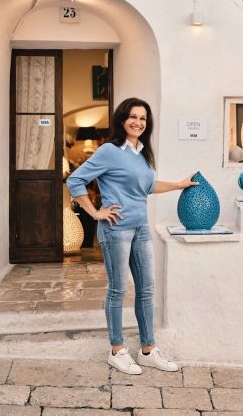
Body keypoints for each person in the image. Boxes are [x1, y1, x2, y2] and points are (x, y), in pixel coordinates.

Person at [66, 97, 197, 375]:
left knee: (146, 289)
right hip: (116, 230)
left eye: (143, 118)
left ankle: (148, 350)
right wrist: (95, 213)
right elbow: (74, 180)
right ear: (122, 119)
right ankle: (117, 350)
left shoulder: (141, 152)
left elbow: (147, 186)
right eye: (133, 117)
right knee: (118, 289)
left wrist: (178, 185)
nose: (138, 122)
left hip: (141, 228)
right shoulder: (110, 151)